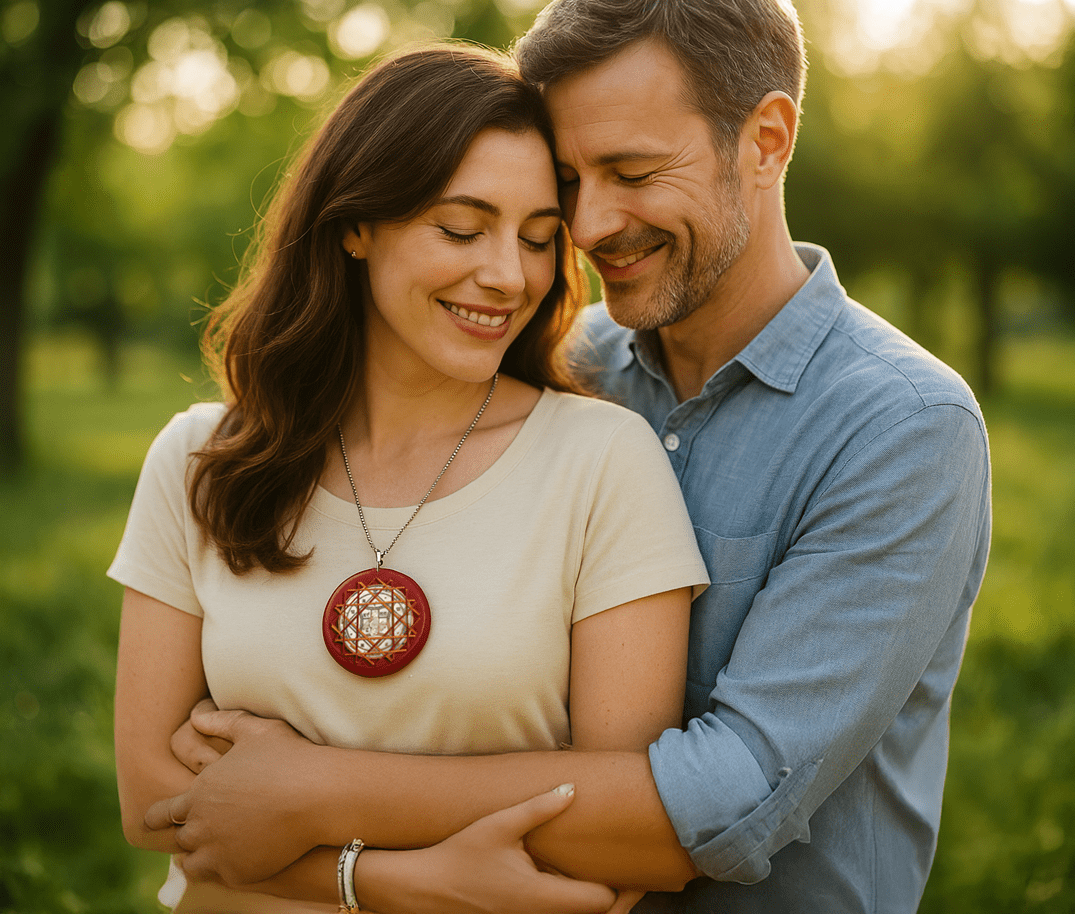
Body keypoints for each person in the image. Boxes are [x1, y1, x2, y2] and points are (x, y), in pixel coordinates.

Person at [146, 0, 992, 914]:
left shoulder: (901, 428)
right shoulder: (557, 369)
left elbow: (724, 803)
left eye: (631, 171)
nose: (588, 226)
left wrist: (313, 790)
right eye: (569, 181)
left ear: (764, 141)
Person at [109, 44, 710, 913]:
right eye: (462, 229)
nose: (508, 275)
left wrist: (309, 794)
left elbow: (628, 827)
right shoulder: (203, 459)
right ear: (356, 224)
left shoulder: (603, 463)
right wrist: (404, 881)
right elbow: (152, 802)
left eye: (539, 239)